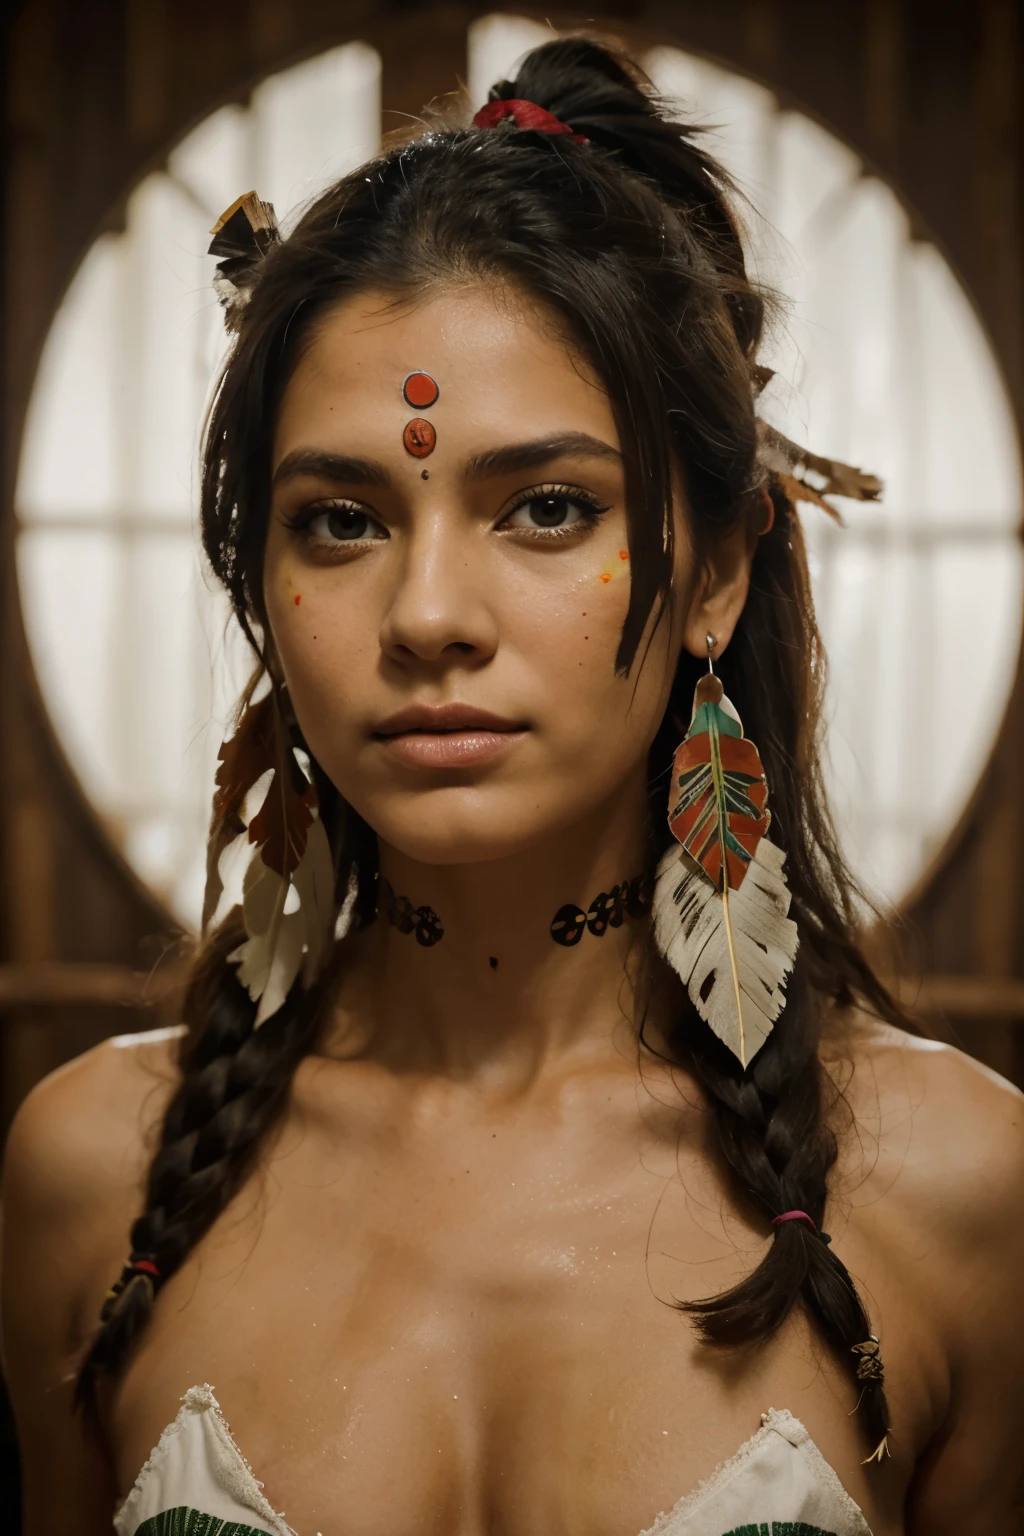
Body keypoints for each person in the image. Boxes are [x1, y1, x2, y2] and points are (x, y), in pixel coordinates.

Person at [2, 35, 1022, 1536]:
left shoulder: (960, 1196)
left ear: (718, 573)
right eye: (340, 520)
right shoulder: (96, 1181)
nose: (426, 616)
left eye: (546, 508)